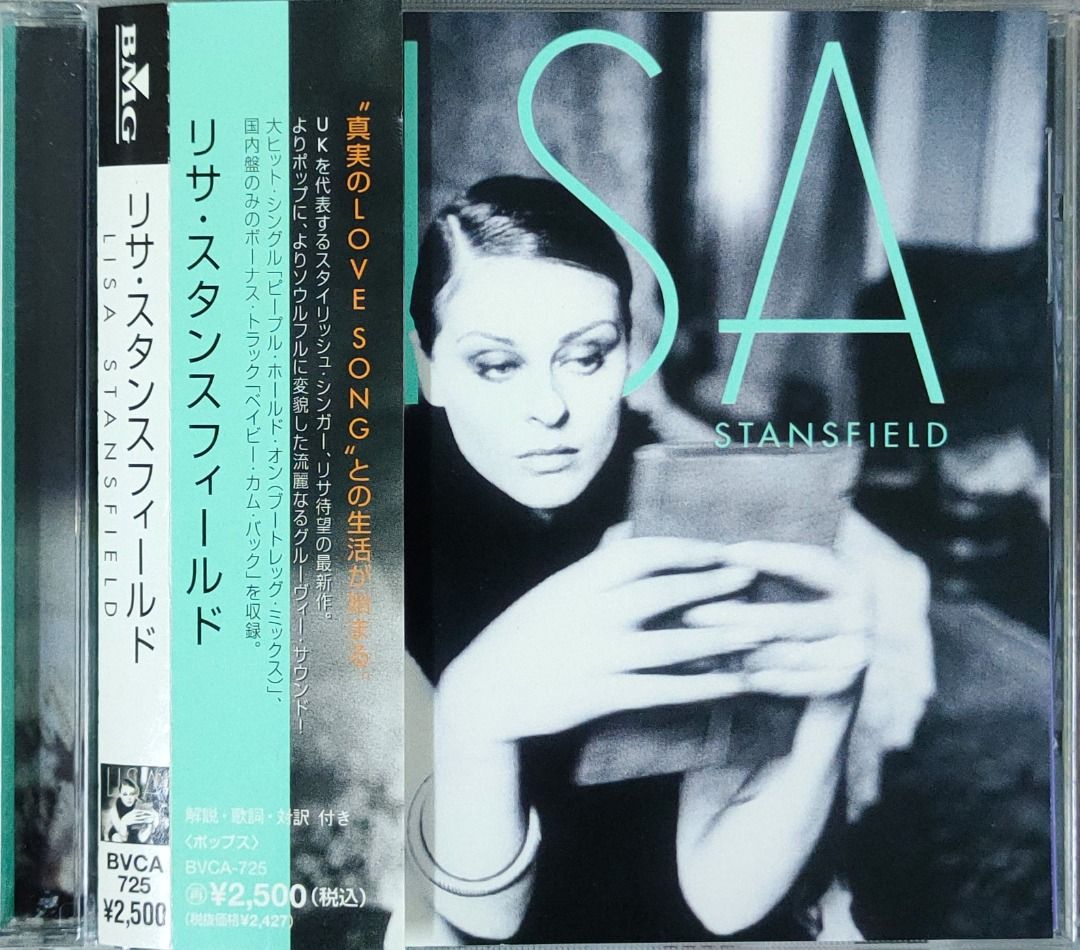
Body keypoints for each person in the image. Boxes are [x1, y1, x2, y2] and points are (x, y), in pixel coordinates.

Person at [404, 175, 926, 944]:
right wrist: (473, 713)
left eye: (587, 356)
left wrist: (833, 705)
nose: (549, 408)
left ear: (627, 354)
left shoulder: (689, 508)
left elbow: (722, 898)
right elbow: (479, 918)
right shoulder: (364, 528)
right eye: (496, 365)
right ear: (431, 369)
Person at [103, 776, 159, 845]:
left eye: (132, 794)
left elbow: (142, 838)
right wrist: (124, 821)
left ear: (135, 795)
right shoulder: (114, 809)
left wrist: (151, 822)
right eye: (125, 794)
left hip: (135, 834)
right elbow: (124, 837)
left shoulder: (139, 804)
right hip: (120, 833)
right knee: (116, 837)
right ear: (120, 795)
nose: (129, 798)